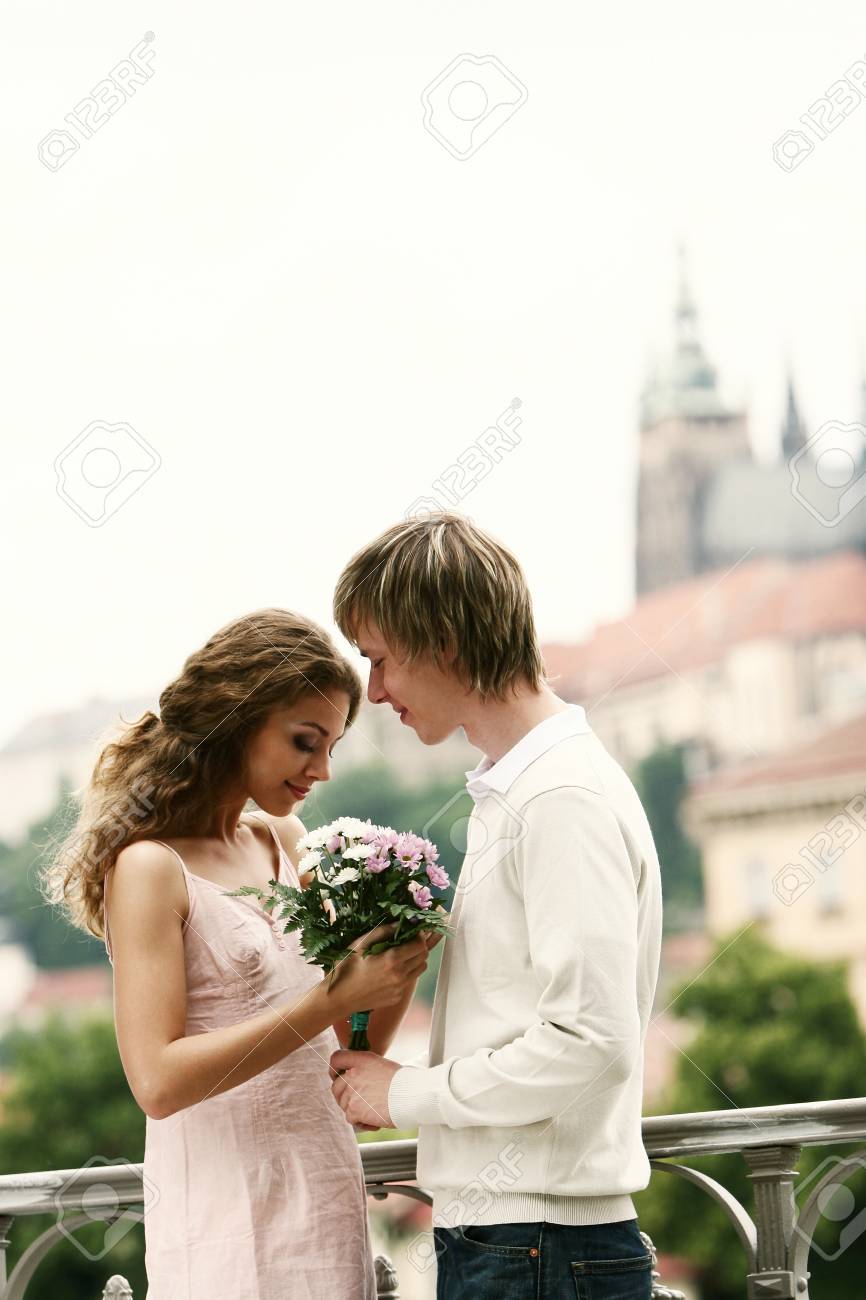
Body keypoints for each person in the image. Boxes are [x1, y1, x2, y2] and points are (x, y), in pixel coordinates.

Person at [44, 608, 432, 1300]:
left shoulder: (284, 839)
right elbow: (157, 1082)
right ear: (238, 718)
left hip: (326, 1206)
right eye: (305, 741)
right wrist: (332, 996)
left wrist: (395, 956)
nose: (323, 769)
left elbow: (348, 1041)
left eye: (333, 746)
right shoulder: (150, 868)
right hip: (226, 1231)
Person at [328, 513, 663, 1300]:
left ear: (442, 640)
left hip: (538, 1245)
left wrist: (404, 1091)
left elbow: (592, 1041)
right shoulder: (522, 790)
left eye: (380, 660)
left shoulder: (559, 798)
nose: (374, 693)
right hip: (521, 1239)